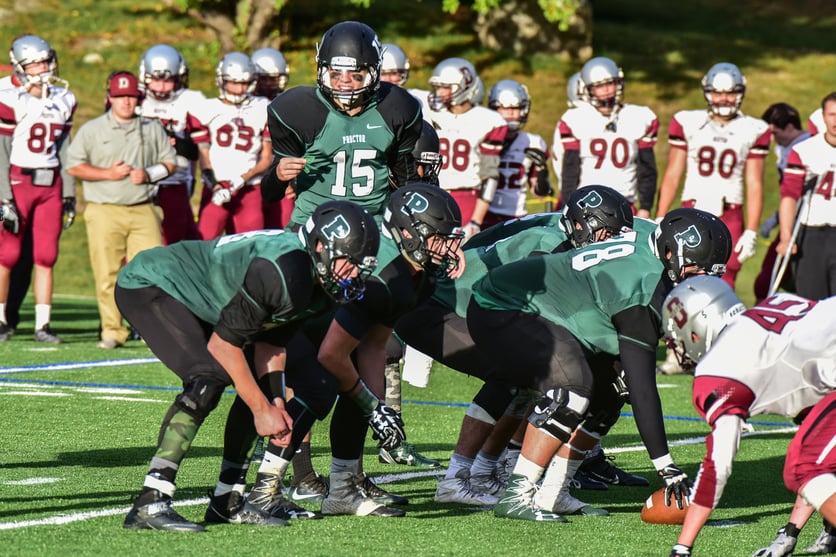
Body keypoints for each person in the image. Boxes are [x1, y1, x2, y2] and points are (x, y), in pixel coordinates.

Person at [115, 200, 380, 532]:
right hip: (154, 283)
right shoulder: (284, 270)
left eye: (361, 265)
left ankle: (228, 499)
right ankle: (151, 500)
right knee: (208, 377)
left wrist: (275, 403)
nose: (355, 274)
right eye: (349, 263)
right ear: (320, 246)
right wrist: (260, 409)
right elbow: (224, 346)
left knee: (255, 389)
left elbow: (271, 344)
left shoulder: (318, 284)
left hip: (207, 302)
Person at [465, 208, 731, 522]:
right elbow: (645, 392)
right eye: (697, 270)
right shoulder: (641, 290)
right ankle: (517, 495)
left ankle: (553, 491)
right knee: (572, 387)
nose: (702, 281)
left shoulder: (656, 253)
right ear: (671, 253)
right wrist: (666, 466)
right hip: (504, 303)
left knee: (615, 390)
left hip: (562, 314)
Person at [226, 183, 463, 519]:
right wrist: (372, 406)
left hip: (327, 332)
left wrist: (377, 408)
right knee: (319, 388)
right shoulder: (385, 278)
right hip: (290, 325)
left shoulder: (418, 277)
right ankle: (266, 489)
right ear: (409, 234)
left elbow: (374, 345)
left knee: (359, 394)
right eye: (438, 238)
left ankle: (342, 489)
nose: (446, 248)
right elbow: (330, 355)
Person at [396, 185, 636, 507]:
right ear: (582, 226)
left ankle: (486, 471)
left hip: (470, 307)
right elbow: (549, 312)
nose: (613, 245)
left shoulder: (566, 241)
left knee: (524, 374)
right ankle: (458, 477)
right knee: (515, 371)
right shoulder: (550, 244)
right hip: (441, 306)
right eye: (607, 234)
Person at [660, 276, 836, 557]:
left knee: (803, 466)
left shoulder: (717, 369)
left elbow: (717, 467)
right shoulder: (778, 301)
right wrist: (790, 534)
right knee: (812, 458)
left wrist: (682, 547)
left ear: (698, 327)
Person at [259, 20, 423, 228]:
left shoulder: (395, 107)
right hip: (312, 224)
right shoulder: (296, 110)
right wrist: (278, 175)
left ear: (373, 73)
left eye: (355, 74)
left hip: (372, 226)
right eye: (335, 73)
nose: (343, 81)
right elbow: (269, 194)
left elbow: (406, 181)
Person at [65, 71, 176, 349]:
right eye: (120, 96)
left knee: (152, 272)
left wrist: (149, 174)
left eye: (131, 97)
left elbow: (170, 163)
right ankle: (112, 331)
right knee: (107, 274)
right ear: (109, 98)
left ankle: (151, 330)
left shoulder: (151, 127)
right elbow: (74, 165)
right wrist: (106, 174)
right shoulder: (92, 129)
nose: (126, 102)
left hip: (143, 208)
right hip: (105, 209)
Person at [655, 62, 771, 290]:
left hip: (730, 212)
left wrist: (751, 230)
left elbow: (754, 183)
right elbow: (673, 173)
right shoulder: (689, 122)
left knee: (724, 280)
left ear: (741, 92)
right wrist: (660, 215)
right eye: (718, 92)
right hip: (691, 209)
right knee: (678, 274)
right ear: (707, 92)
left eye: (730, 93)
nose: (724, 99)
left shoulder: (754, 129)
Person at [0, 34, 76, 343]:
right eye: (35, 64)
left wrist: (69, 191)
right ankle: (2, 319)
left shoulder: (63, 97)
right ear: (20, 67)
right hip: (18, 180)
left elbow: (65, 148)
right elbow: (1, 151)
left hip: (50, 182)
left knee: (47, 254)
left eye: (46, 61)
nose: (44, 69)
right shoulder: (6, 95)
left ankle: (42, 324)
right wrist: (3, 196)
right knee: (8, 253)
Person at [556, 57, 659, 218]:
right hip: (586, 204)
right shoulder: (576, 119)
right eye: (599, 86)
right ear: (587, 89)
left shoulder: (639, 117)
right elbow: (571, 169)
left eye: (609, 83)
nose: (606, 90)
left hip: (623, 204)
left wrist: (645, 206)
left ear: (619, 83)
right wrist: (567, 205)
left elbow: (647, 169)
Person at [425, 57, 508, 239]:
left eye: (446, 87)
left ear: (465, 86)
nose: (440, 92)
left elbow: (490, 176)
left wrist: (477, 220)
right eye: (439, 87)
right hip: (432, 195)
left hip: (467, 199)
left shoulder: (487, 121)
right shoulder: (430, 113)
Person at [192, 52, 271, 240]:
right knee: (204, 245)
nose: (238, 89)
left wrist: (241, 179)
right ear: (222, 80)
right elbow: (204, 157)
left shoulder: (262, 107)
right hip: (216, 188)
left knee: (251, 247)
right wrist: (215, 184)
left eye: (243, 83)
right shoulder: (206, 108)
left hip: (251, 188)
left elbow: (266, 159)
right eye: (233, 82)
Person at [136, 44, 203, 245]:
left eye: (169, 80)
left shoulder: (190, 100)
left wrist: (178, 143)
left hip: (175, 182)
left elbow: (196, 149)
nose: (162, 87)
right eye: (156, 80)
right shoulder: (133, 99)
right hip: (140, 182)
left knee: (176, 243)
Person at [774, 92, 836, 301]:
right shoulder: (805, 151)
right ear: (824, 117)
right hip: (812, 234)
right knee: (811, 305)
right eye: (832, 115)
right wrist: (785, 236)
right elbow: (789, 196)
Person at [752, 102, 810, 301]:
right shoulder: (785, 149)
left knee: (767, 281)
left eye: (775, 133)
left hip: (804, 223)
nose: (772, 139)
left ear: (790, 127)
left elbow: (799, 195)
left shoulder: (806, 148)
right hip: (791, 218)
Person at [483, 79, 551, 227]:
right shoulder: (482, 138)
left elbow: (540, 193)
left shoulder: (533, 142)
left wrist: (542, 171)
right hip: (485, 214)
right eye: (503, 109)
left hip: (517, 216)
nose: (510, 114)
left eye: (515, 108)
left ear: (524, 109)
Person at [250, 47, 295, 230]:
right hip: (250, 181)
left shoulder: (291, 104)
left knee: (284, 230)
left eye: (273, 78)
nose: (268, 84)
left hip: (281, 178)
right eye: (263, 79)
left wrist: (294, 181)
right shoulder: (242, 108)